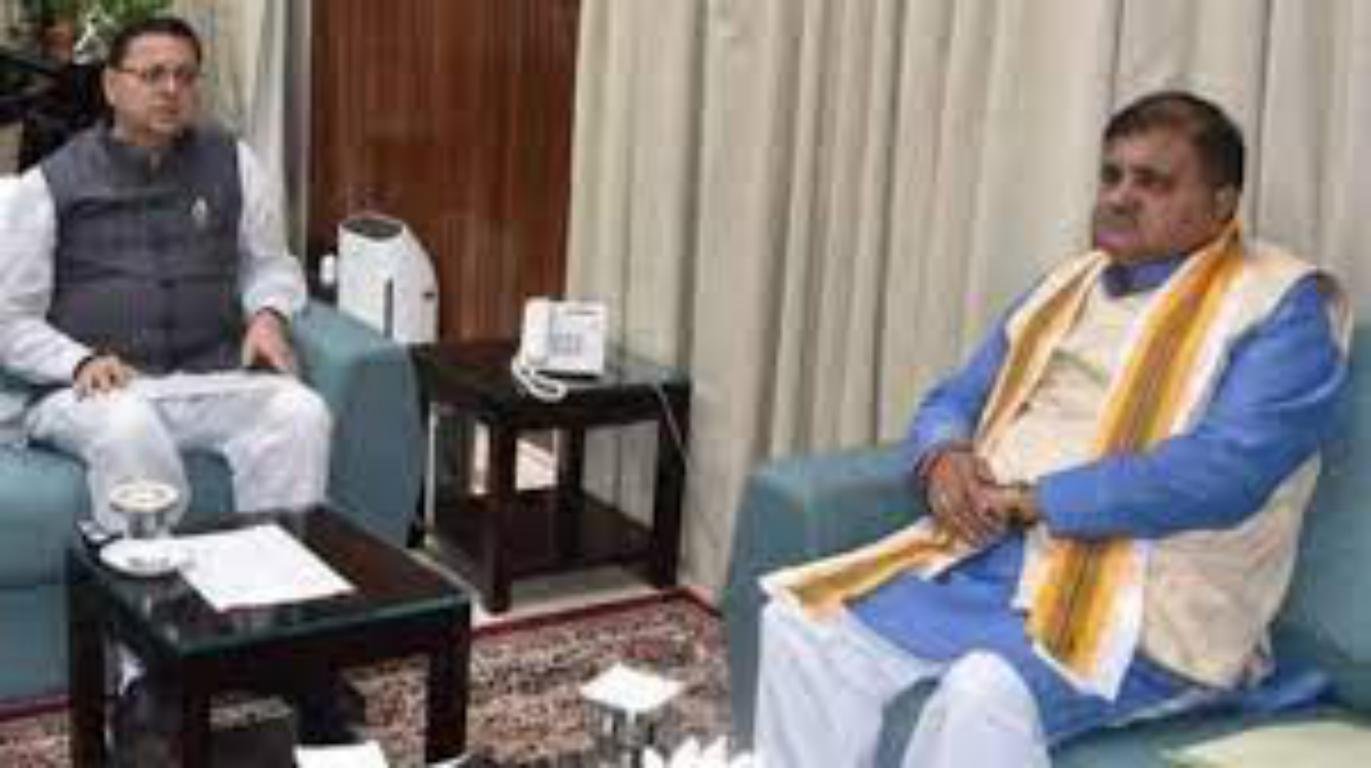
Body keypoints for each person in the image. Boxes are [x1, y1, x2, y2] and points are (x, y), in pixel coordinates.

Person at [754, 91, 1351, 766]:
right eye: (1111, 176)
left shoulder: (1282, 305)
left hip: (1147, 600)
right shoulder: (1070, 283)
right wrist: (945, 454)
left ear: (1222, 204)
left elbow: (1222, 474)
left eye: (1153, 182)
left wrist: (1036, 501)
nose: (1120, 197)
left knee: (984, 692)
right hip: (993, 563)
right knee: (803, 628)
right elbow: (956, 397)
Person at [0, 15, 349, 753]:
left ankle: (284, 642)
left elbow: (271, 263)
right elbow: (9, 319)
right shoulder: (47, 186)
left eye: (185, 76)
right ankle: (146, 676)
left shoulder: (233, 163)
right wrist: (75, 361)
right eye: (152, 75)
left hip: (208, 375)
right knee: (128, 425)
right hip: (95, 392)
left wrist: (267, 315)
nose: (170, 90)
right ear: (111, 85)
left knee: (298, 412)